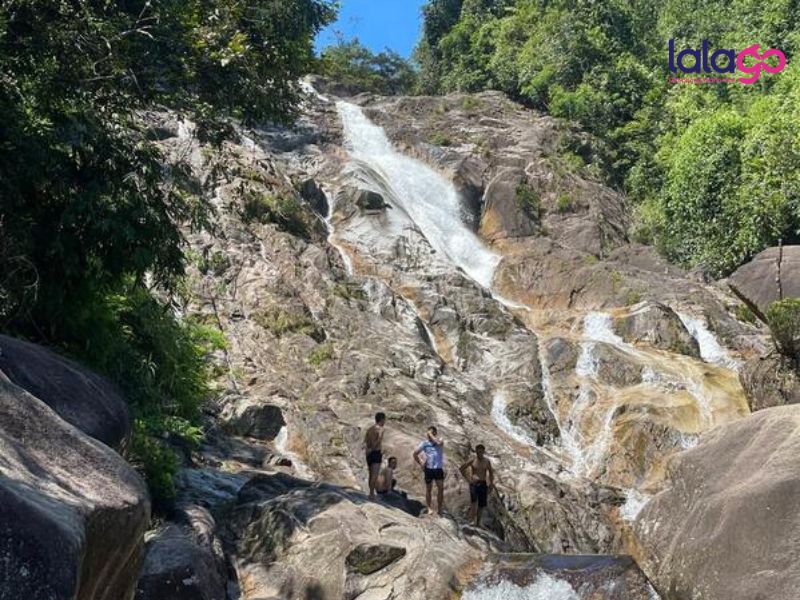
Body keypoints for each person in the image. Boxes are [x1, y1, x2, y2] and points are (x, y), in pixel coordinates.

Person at [459, 444, 495, 527]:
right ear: (476, 451)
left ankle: (478, 522)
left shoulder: (487, 461)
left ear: (483, 452)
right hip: (474, 484)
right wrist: (468, 479)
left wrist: (491, 483)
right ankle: (472, 520)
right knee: (474, 502)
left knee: (481, 505)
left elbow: (491, 472)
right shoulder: (473, 460)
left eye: (481, 451)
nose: (480, 453)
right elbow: (462, 468)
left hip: (483, 483)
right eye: (478, 451)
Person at [413, 426, 445, 515]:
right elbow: (415, 453)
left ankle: (440, 508)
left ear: (435, 433)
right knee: (428, 489)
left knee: (441, 488)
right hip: (429, 469)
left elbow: (439, 443)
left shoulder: (440, 440)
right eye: (428, 433)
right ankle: (429, 508)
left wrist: (431, 435)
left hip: (438, 468)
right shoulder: (424, 443)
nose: (428, 435)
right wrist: (421, 463)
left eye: (431, 433)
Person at [364, 412, 386, 498]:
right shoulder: (380, 429)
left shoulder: (369, 429)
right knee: (374, 474)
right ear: (382, 419)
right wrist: (379, 438)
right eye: (384, 420)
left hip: (368, 453)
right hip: (375, 452)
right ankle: (371, 494)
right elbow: (375, 443)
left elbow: (366, 441)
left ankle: (371, 492)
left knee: (370, 473)